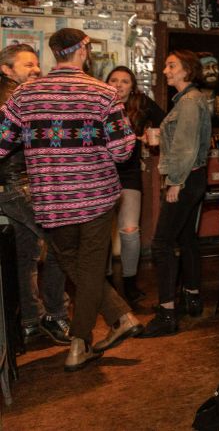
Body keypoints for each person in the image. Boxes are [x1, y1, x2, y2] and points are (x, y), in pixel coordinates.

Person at [0, 29, 141, 371]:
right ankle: (85, 341)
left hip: (50, 199)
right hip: (96, 197)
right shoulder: (104, 94)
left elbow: (1, 143)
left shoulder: (24, 96)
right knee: (89, 268)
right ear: (83, 50)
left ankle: (119, 320)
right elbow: (123, 152)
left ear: (54, 54)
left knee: (73, 264)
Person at [0, 44, 70, 345]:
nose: (36, 70)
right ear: (6, 69)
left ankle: (30, 320)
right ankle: (56, 315)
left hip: (14, 186)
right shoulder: (13, 99)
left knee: (25, 254)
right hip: (20, 186)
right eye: (28, 64)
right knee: (60, 243)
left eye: (37, 64)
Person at [140, 50, 212, 337]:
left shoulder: (190, 102)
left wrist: (176, 182)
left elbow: (185, 147)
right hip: (193, 178)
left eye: (171, 65)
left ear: (186, 71)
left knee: (161, 243)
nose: (166, 70)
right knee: (186, 238)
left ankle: (167, 313)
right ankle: (192, 297)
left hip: (186, 179)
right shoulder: (189, 100)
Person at [105, 66, 166, 304]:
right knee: (102, 233)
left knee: (130, 231)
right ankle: (106, 282)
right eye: (114, 80)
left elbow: (167, 121)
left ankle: (130, 282)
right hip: (100, 174)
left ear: (132, 87)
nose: (119, 85)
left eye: (125, 81)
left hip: (129, 174)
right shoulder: (99, 103)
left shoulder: (140, 104)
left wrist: (150, 135)